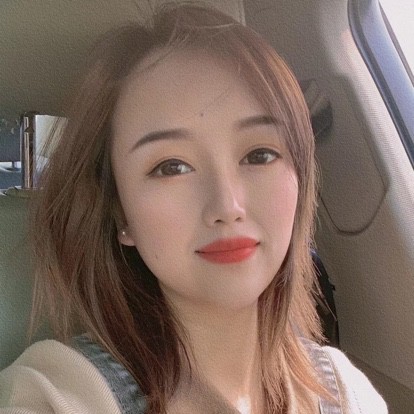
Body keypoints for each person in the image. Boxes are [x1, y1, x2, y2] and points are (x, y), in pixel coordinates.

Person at [0, 3, 387, 413]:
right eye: (171, 167)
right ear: (120, 213)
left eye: (259, 154)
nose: (228, 206)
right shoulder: (66, 395)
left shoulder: (345, 392)